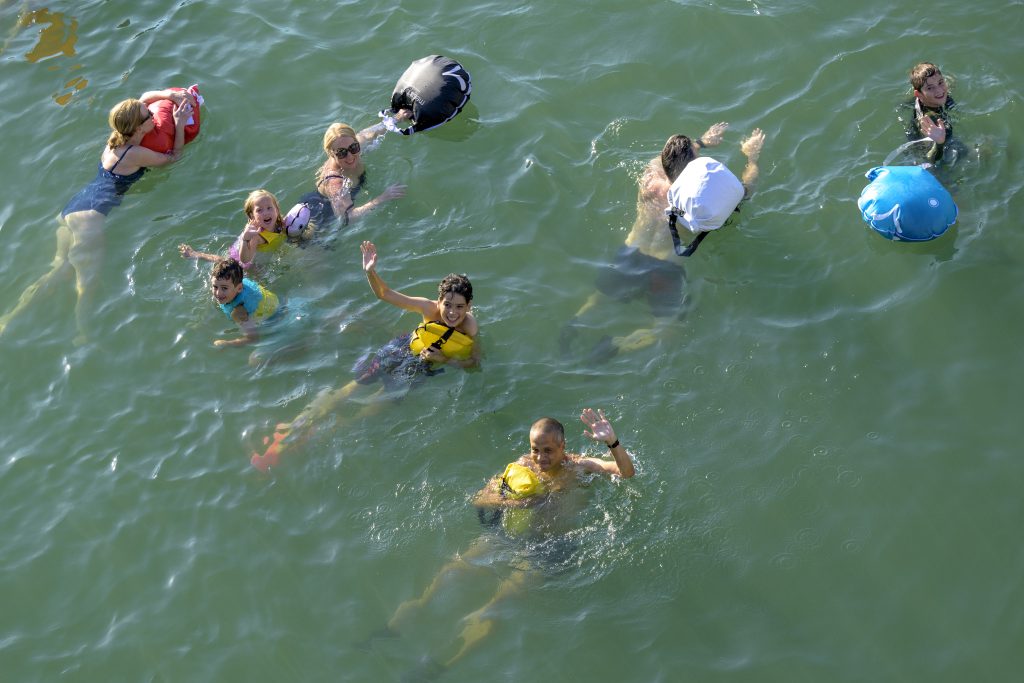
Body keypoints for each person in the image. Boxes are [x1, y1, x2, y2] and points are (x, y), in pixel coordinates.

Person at [360, 409, 635, 676]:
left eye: (548, 450)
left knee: (495, 606)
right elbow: (480, 499)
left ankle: (438, 665)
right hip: (511, 535)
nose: (540, 457)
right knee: (451, 573)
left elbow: (626, 473)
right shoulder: (522, 466)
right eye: (535, 449)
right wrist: (520, 502)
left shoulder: (580, 467)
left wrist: (612, 442)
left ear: (563, 446)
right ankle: (389, 632)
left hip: (550, 547)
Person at [251, 240, 479, 470]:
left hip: (421, 366)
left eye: (459, 307)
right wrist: (370, 271)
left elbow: (473, 362)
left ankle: (311, 434)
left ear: (469, 306)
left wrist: (442, 359)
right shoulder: (428, 308)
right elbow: (385, 294)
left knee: (371, 407)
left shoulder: (470, 328)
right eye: (447, 304)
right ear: (438, 300)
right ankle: (291, 427)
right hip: (399, 349)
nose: (452, 312)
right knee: (351, 389)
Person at [0, 90, 194, 342]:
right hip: (90, 219)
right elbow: (174, 159)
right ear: (136, 128)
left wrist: (170, 95)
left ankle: (9, 318)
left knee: (59, 270)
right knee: (87, 283)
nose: (154, 119)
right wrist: (179, 126)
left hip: (72, 209)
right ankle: (82, 332)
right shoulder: (133, 153)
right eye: (149, 117)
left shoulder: (115, 142)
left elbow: (145, 96)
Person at [562, 122, 765, 360]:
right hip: (664, 270)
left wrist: (701, 141)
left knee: (599, 299)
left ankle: (573, 327)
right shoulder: (699, 205)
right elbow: (747, 189)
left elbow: (671, 157)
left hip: (630, 254)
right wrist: (752, 157)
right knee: (667, 332)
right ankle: (618, 345)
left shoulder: (650, 179)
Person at [290, 118, 411, 236]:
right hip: (320, 217)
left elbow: (367, 134)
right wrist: (384, 197)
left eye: (354, 148)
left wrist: (396, 119)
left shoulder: (351, 144)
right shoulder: (335, 182)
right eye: (341, 153)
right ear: (331, 154)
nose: (350, 157)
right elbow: (348, 218)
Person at [179, 189, 293, 270]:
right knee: (225, 262)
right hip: (242, 258)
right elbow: (245, 260)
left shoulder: (279, 223)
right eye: (259, 210)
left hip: (255, 252)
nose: (266, 212)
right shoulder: (257, 236)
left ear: (277, 209)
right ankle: (194, 254)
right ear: (251, 216)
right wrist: (245, 240)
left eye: (269, 208)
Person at [206, 257, 281, 348]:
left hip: (274, 318)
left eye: (224, 288)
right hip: (273, 300)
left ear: (239, 288)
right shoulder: (238, 280)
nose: (218, 293)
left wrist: (227, 343)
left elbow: (253, 339)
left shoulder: (238, 311)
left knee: (254, 360)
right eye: (215, 287)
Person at [900, 62, 958, 165]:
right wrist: (939, 142)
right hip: (930, 158)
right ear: (919, 94)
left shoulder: (921, 98)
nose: (939, 90)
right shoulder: (930, 120)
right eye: (930, 88)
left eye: (941, 82)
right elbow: (931, 159)